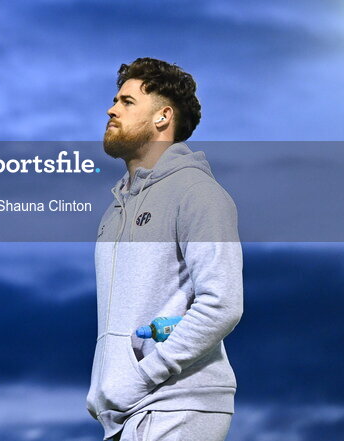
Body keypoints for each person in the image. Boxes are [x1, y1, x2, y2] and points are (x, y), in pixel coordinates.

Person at [85, 57, 243, 441]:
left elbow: (222, 303)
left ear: (163, 117)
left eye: (127, 102)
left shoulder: (197, 193)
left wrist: (144, 374)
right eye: (115, 100)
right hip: (125, 411)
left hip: (179, 402)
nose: (111, 109)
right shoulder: (114, 212)